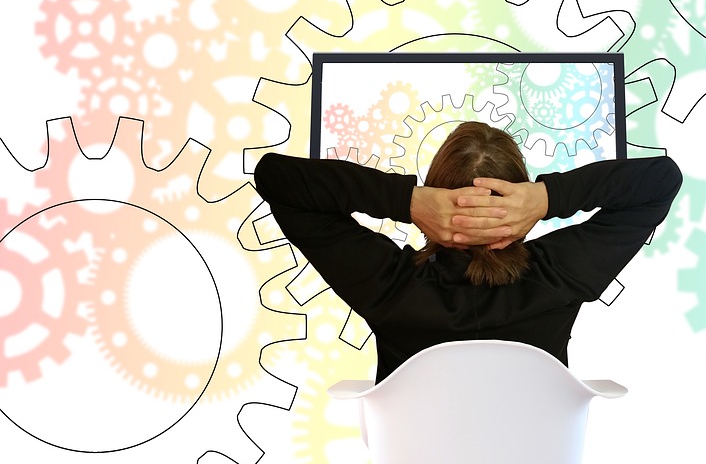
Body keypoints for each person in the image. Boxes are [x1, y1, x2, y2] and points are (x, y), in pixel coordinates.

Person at [254, 121, 682, 382]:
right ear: (519, 199)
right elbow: (660, 181)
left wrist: (406, 201)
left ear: (436, 198)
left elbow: (277, 180)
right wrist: (548, 198)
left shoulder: (389, 286)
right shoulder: (559, 277)